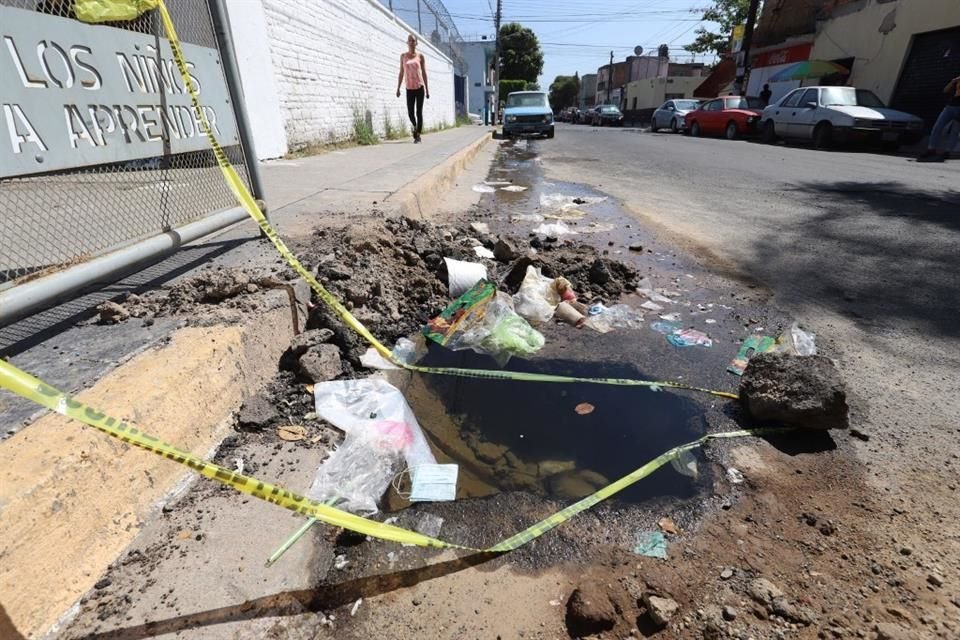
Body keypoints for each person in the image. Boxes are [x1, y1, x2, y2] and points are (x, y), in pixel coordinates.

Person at [918, 74, 960, 162]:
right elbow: (945, 90)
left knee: (954, 131)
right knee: (937, 127)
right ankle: (931, 149)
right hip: (949, 106)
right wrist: (953, 81)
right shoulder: (956, 81)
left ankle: (947, 152)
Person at [396, 34, 429, 143]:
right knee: (410, 113)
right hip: (409, 88)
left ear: (416, 43)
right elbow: (401, 72)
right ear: (407, 43)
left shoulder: (420, 57)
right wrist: (398, 87)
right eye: (410, 40)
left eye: (413, 41)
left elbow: (424, 73)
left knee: (419, 112)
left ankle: (418, 135)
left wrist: (427, 90)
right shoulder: (403, 56)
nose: (411, 42)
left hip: (419, 87)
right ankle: (415, 127)